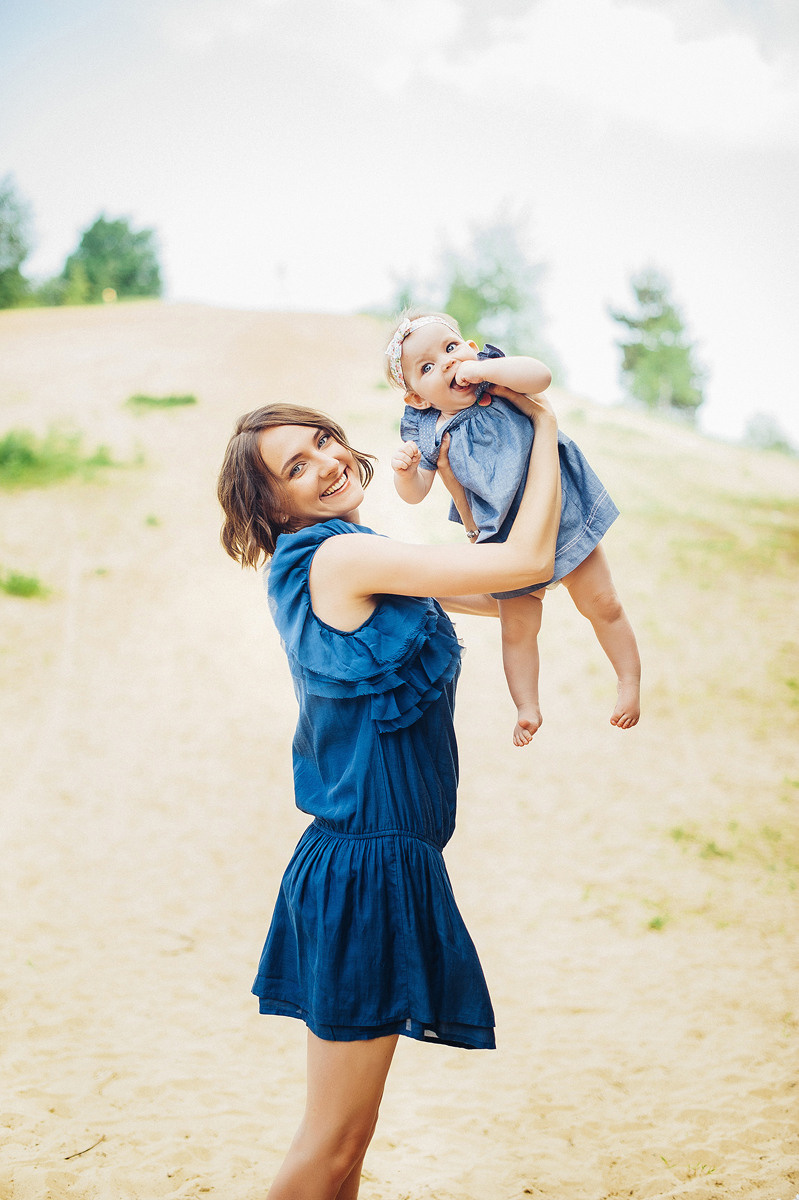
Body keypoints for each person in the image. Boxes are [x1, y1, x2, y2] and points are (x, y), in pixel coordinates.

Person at [216, 393, 561, 1199]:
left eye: (324, 441)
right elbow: (525, 563)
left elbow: (513, 588)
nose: (328, 462)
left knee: (347, 1143)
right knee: (332, 1144)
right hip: (363, 869)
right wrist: (542, 428)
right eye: (295, 467)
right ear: (270, 503)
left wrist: (465, 465)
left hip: (379, 865)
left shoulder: (359, 554)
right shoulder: (337, 560)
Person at [386, 311, 641, 745]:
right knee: (518, 629)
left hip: (562, 510)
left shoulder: (497, 380)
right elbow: (416, 492)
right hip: (502, 537)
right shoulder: (429, 430)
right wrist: (406, 473)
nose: (447, 363)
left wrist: (482, 368)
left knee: (604, 602)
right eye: (427, 367)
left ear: (470, 345)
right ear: (417, 399)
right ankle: (527, 706)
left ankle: (629, 681)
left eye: (451, 348)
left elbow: (540, 375)